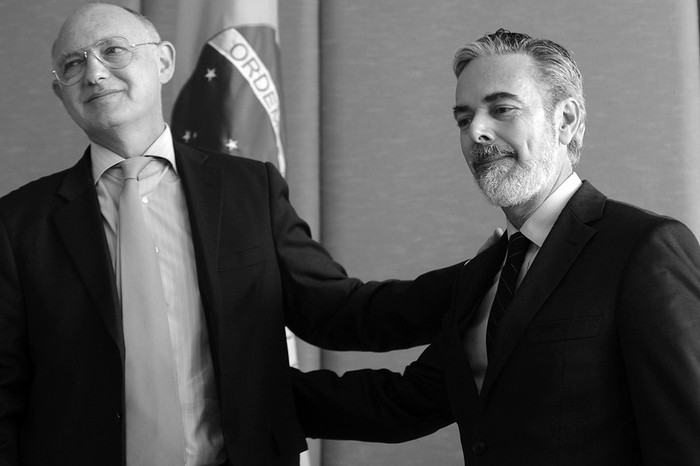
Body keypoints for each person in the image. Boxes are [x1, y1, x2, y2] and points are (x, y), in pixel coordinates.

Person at [0, 4, 470, 465]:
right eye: (73, 63)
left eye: (113, 50)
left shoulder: (249, 189)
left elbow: (339, 311)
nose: (95, 73)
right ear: (59, 91)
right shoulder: (16, 224)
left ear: (163, 60)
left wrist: (477, 281)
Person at [292, 29, 700, 464]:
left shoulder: (643, 249)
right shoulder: (485, 273)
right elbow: (401, 405)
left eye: (502, 109)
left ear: (566, 120)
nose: (477, 133)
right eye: (464, 119)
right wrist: (237, 384)